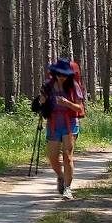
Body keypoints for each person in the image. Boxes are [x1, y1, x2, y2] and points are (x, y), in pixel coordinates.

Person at [34, 59, 85, 200]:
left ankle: (67, 188)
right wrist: (42, 101)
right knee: (53, 158)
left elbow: (79, 108)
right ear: (55, 73)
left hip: (70, 123)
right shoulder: (48, 86)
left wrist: (67, 103)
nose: (62, 77)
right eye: (59, 74)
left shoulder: (74, 86)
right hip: (53, 124)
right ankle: (60, 176)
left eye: (65, 74)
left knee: (68, 157)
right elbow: (41, 104)